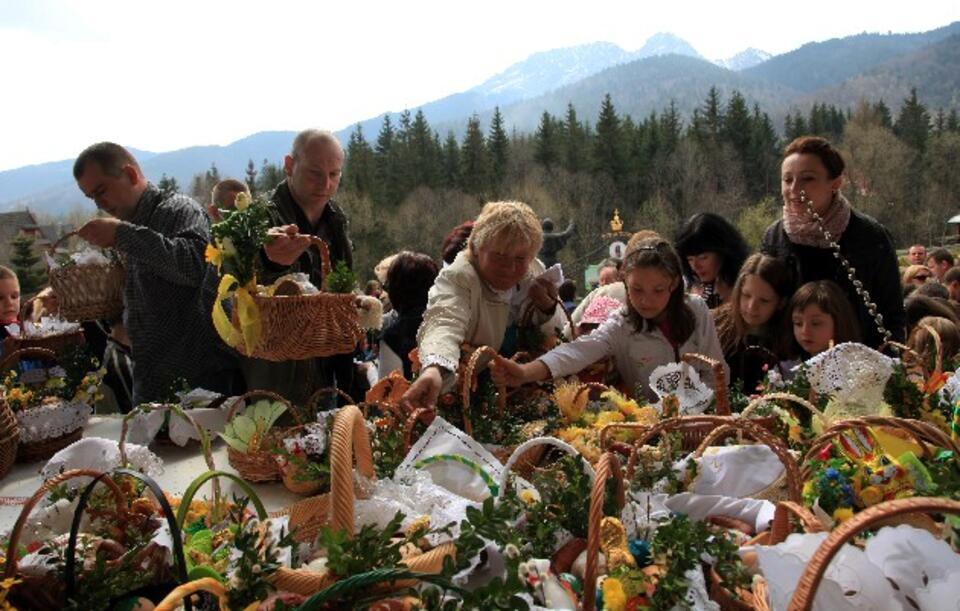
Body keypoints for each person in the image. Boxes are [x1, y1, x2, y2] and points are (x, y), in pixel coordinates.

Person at [73, 142, 239, 403]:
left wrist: (120, 234)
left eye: (101, 190)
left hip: (200, 380)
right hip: (151, 378)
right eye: (91, 197)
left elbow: (193, 266)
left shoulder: (179, 210)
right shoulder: (126, 227)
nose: (99, 203)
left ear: (130, 174)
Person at [490, 237, 727, 402]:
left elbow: (716, 372)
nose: (646, 301)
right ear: (624, 282)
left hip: (703, 422)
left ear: (674, 284)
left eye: (658, 290)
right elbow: (576, 352)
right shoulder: (623, 324)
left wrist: (691, 410)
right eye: (637, 290)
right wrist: (524, 373)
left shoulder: (696, 310)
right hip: (649, 430)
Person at [400, 201, 565, 411]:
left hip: (527, 394)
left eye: (520, 258)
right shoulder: (460, 276)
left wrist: (547, 310)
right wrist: (434, 367)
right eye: (499, 255)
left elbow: (558, 335)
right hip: (467, 400)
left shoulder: (534, 271)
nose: (510, 267)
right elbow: (444, 320)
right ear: (477, 248)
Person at [241, 129, 355, 405]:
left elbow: (342, 288)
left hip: (327, 373)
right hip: (275, 379)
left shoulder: (336, 220)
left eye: (334, 174)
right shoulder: (259, 218)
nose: (326, 184)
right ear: (289, 166)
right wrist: (269, 263)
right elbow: (231, 291)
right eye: (315, 173)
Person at [761, 136, 905, 347]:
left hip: (859, 363)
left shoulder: (870, 236)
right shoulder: (775, 237)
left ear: (835, 183)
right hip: (791, 364)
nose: (794, 189)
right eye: (787, 179)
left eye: (807, 179)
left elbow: (892, 312)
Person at [714, 254, 797, 393]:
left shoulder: (789, 338)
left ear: (781, 302)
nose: (751, 307)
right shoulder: (717, 325)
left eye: (764, 301)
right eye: (746, 295)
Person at [378, 251, 439, 380]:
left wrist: (369, 371)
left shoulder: (393, 336)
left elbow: (386, 392)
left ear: (396, 289)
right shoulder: (452, 323)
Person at [675, 212, 750, 308]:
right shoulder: (685, 287)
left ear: (723, 251)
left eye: (703, 258)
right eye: (690, 259)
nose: (696, 266)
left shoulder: (746, 287)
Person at [789, 280, 861, 358]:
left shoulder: (855, 365)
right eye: (798, 323)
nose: (805, 331)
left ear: (838, 322)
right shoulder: (787, 367)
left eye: (815, 323)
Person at [0, 266, 21, 356]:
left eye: (14, 296)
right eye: (0, 298)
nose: (9, 303)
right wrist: (7, 357)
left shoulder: (24, 329)